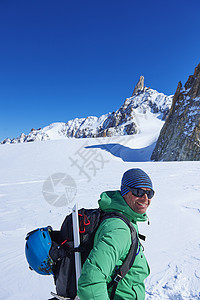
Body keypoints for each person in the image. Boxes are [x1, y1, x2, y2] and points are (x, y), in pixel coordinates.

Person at [77, 168, 154, 300]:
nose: (145, 198)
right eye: (138, 192)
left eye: (149, 193)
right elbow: (90, 283)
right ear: (125, 192)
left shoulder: (127, 218)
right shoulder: (119, 229)